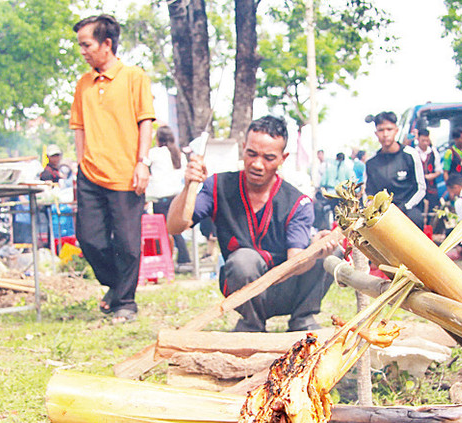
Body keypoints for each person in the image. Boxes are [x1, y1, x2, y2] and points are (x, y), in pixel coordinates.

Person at [166, 115, 338, 332]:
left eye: (268, 157)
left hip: (286, 290)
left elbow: (295, 262)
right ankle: (251, 323)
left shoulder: (298, 202)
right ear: (243, 148)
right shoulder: (218, 186)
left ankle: (302, 319)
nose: (257, 164)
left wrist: (315, 251)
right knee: (243, 260)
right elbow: (174, 227)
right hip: (243, 289)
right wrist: (188, 187)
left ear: (283, 158)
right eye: (251, 154)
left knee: (332, 251)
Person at [70, 14, 155, 323]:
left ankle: (125, 303)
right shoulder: (83, 83)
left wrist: (142, 163)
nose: (83, 51)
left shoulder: (134, 77)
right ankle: (117, 286)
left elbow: (145, 121)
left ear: (107, 44)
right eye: (80, 45)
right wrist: (81, 163)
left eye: (87, 44)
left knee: (128, 244)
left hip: (126, 174)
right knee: (88, 238)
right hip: (90, 173)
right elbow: (78, 127)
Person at [365, 111, 427, 230]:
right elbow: (368, 193)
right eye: (381, 130)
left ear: (396, 130)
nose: (385, 134)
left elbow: (421, 188)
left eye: (389, 129)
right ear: (376, 133)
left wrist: (403, 208)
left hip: (407, 210)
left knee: (416, 219)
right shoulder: (371, 162)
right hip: (380, 214)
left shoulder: (410, 155)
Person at [145, 125, 191, 271]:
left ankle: (165, 259)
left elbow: (144, 165)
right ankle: (184, 258)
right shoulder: (178, 154)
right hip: (175, 195)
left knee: (162, 231)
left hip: (160, 197)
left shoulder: (154, 153)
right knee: (175, 229)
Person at [315, 152, 355, 230]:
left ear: (336, 158)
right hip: (343, 195)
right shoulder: (347, 169)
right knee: (343, 214)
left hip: (331, 194)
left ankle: (333, 227)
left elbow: (323, 182)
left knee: (334, 213)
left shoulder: (330, 168)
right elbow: (352, 182)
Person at [415, 129, 442, 213]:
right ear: (418, 139)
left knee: (433, 210)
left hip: (431, 188)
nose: (425, 143)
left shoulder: (433, 153)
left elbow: (438, 171)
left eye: (427, 140)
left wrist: (430, 176)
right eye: (423, 140)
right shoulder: (413, 152)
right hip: (416, 188)